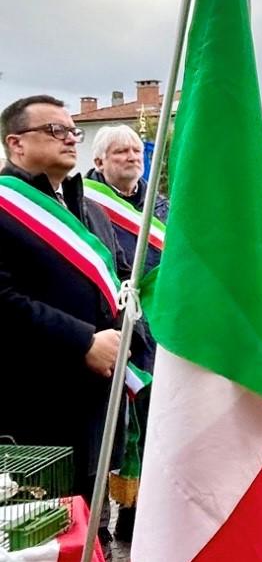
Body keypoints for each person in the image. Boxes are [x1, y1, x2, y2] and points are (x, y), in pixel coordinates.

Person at [0, 96, 131, 556]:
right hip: (33, 401)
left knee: (88, 524)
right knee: (39, 536)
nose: (70, 138)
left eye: (73, 130)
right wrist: (82, 342)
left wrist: (122, 332)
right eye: (55, 130)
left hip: (94, 396)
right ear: (16, 143)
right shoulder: (5, 206)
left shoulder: (89, 209)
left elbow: (112, 281)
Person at [86, 123, 170, 540]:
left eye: (137, 150)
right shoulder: (82, 203)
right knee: (110, 427)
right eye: (121, 152)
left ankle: (136, 514)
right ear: (99, 161)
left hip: (160, 331)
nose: (132, 157)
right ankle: (96, 521)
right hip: (109, 329)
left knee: (153, 422)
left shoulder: (161, 206)